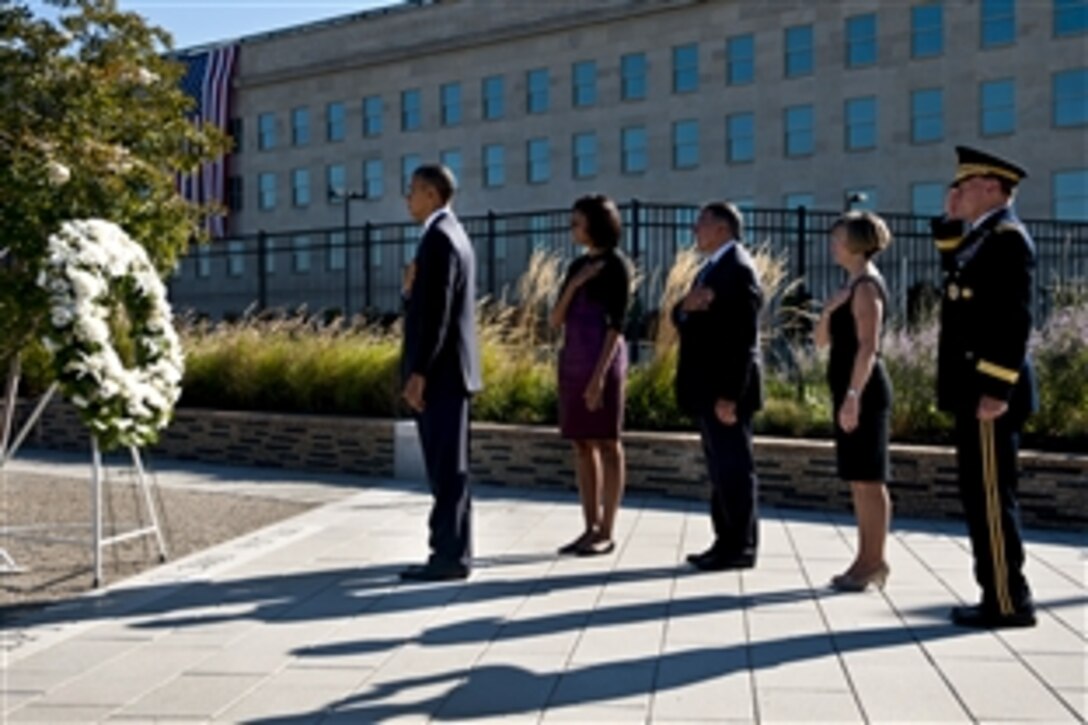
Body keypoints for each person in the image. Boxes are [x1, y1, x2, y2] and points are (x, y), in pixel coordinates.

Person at [938, 145, 1038, 628]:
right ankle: (996, 592)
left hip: (989, 393)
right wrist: (950, 220)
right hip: (974, 389)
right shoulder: (982, 237)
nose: (957, 191)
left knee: (993, 499)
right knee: (981, 496)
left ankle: (1007, 600)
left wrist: (997, 389)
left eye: (967, 184)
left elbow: (1013, 320)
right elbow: (959, 283)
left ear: (995, 188)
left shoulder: (1007, 238)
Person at [400, 163, 482, 581]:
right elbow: (427, 304)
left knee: (447, 469)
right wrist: (409, 291)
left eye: (412, 190)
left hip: (442, 376)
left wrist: (419, 373)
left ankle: (449, 555)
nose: (407, 197)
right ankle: (451, 550)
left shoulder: (440, 238)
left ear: (432, 194)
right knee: (449, 468)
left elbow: (437, 315)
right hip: (449, 373)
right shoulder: (450, 235)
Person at [673, 201, 763, 571]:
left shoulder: (737, 270)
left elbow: (742, 339)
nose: (695, 230)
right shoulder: (711, 268)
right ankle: (724, 540)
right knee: (719, 469)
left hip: (725, 390)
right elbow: (683, 316)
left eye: (702, 223)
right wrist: (684, 308)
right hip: (707, 387)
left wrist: (730, 394)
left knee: (733, 468)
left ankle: (740, 546)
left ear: (723, 228)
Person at [814, 211, 893, 592]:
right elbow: (820, 341)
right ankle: (864, 560)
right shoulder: (850, 286)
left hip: (863, 393)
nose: (833, 243)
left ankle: (874, 562)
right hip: (849, 392)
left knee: (869, 479)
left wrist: (853, 396)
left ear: (857, 243)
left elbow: (869, 347)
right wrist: (829, 309)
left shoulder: (867, 287)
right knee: (859, 481)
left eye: (839, 237)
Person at [549, 195, 630, 556]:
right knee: (581, 443)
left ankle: (607, 530)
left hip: (603, 359)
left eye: (577, 222)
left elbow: (616, 327)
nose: (572, 228)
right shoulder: (577, 266)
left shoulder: (617, 267)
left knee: (608, 443)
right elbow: (555, 320)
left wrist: (599, 378)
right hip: (573, 358)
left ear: (596, 225)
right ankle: (588, 527)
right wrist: (575, 282)